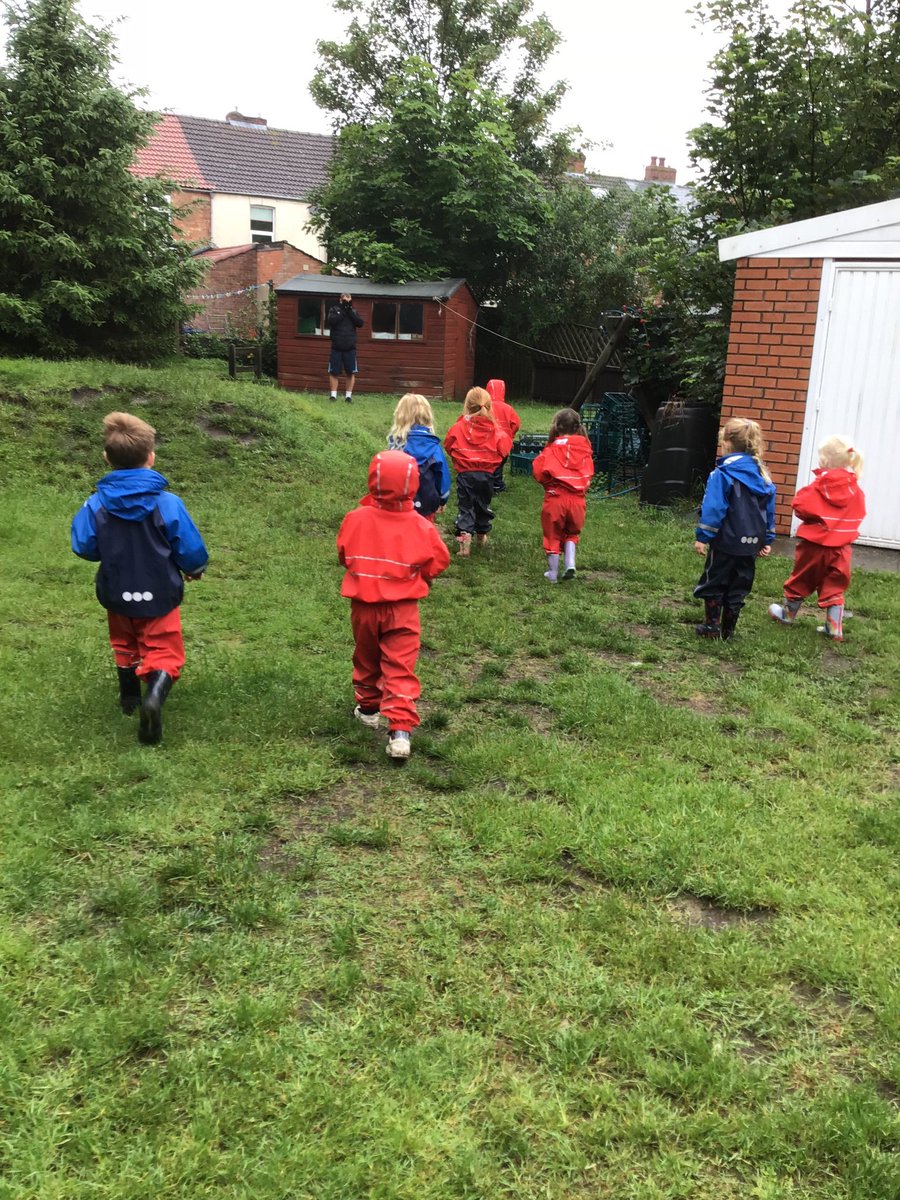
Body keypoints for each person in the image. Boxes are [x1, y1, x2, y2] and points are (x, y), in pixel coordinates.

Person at [71, 412, 208, 745]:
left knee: (124, 641)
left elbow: (84, 545)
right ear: (151, 457)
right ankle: (153, 699)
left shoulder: (95, 504)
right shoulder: (168, 503)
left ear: (106, 458)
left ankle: (129, 697)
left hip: (116, 591)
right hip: (160, 593)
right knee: (163, 649)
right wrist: (194, 568)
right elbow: (188, 546)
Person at [337, 450, 450, 760]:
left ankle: (369, 708)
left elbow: (344, 554)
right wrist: (422, 575)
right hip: (403, 609)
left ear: (373, 480)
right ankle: (400, 731)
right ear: (413, 485)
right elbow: (439, 559)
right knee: (400, 665)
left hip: (364, 606)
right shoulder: (421, 525)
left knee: (366, 655)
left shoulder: (355, 519)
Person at [769, 436, 865, 642]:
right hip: (842, 548)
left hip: (815, 546)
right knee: (835, 583)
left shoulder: (821, 485)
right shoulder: (855, 489)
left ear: (825, 462)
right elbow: (860, 512)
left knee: (802, 578)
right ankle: (834, 627)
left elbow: (800, 506)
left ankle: (787, 614)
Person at [693, 417, 776, 640]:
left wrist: (703, 536)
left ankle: (712, 627)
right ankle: (729, 631)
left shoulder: (722, 474)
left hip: (725, 542)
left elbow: (714, 508)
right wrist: (767, 539)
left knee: (715, 580)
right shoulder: (763, 476)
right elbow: (768, 511)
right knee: (740, 584)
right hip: (751, 544)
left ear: (727, 443)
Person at [444, 387, 512, 556]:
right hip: (487, 475)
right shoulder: (496, 431)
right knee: (483, 505)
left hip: (466, 475)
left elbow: (449, 444)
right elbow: (505, 449)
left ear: (467, 406)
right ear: (489, 407)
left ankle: (464, 545)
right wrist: (494, 463)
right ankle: (482, 537)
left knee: (465, 508)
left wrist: (458, 460)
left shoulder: (459, 427)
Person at [531, 408, 595, 582]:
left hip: (555, 498)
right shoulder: (586, 450)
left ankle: (552, 573)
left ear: (557, 428)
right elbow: (589, 473)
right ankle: (570, 564)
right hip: (577, 500)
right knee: (572, 533)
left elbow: (538, 471)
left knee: (553, 534)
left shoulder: (551, 449)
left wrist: (548, 484)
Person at [387, 392, 451, 521]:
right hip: (426, 503)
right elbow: (442, 476)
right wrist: (443, 499)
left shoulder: (395, 443)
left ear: (400, 415)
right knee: (424, 534)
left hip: (398, 501)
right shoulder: (433, 445)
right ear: (427, 415)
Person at [325, 291, 364, 403]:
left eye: (348, 298)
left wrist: (349, 310)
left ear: (351, 299)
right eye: (344, 298)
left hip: (350, 348)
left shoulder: (353, 311)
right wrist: (343, 309)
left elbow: (360, 323)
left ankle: (348, 396)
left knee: (350, 372)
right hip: (336, 347)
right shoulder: (334, 309)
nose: (346, 300)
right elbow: (332, 321)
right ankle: (333, 396)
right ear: (340, 299)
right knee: (334, 372)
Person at [485, 378, 521, 493]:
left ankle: (489, 484)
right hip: (503, 443)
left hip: (487, 443)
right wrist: (511, 435)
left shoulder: (484, 407)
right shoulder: (508, 409)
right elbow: (516, 424)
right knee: (499, 464)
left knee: (488, 465)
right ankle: (497, 484)